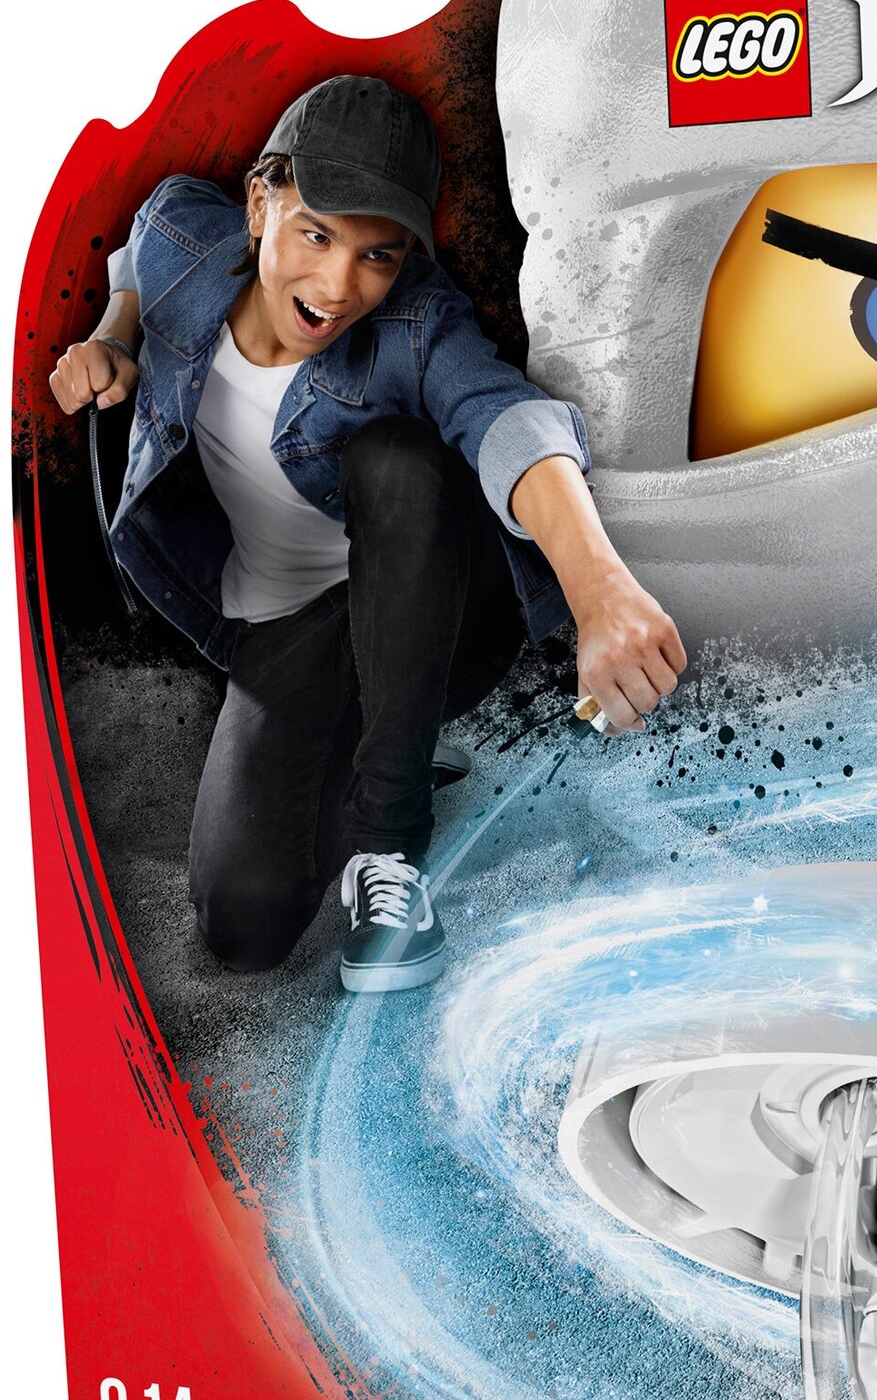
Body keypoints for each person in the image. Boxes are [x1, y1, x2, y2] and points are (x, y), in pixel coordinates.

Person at [50, 75, 685, 993]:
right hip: (284, 630)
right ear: (260, 204)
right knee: (244, 924)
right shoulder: (185, 235)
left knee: (399, 458)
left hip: (437, 612)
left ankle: (391, 841)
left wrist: (601, 591)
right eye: (316, 235)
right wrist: (114, 338)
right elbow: (137, 253)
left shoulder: (417, 323)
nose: (338, 288)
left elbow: (509, 419)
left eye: (376, 255)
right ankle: (382, 739)